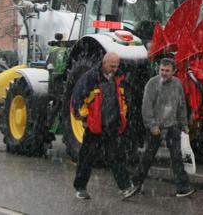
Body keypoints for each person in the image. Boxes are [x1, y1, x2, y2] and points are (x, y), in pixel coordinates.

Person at [72, 52, 139, 200]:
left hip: (112, 124)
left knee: (117, 157)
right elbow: (77, 99)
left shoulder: (119, 78)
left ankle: (125, 187)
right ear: (104, 63)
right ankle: (80, 187)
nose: (115, 69)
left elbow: (124, 99)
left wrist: (123, 117)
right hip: (94, 126)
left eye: (117, 66)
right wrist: (84, 118)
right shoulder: (90, 78)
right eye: (112, 66)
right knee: (87, 158)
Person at [132, 58, 195, 197]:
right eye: (162, 70)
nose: (164, 73)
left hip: (173, 126)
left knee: (177, 156)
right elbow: (146, 106)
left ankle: (182, 187)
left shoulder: (178, 84)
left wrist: (184, 124)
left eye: (167, 70)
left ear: (173, 71)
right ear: (158, 69)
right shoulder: (152, 84)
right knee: (148, 156)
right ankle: (135, 183)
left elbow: (181, 105)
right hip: (156, 127)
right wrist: (152, 125)